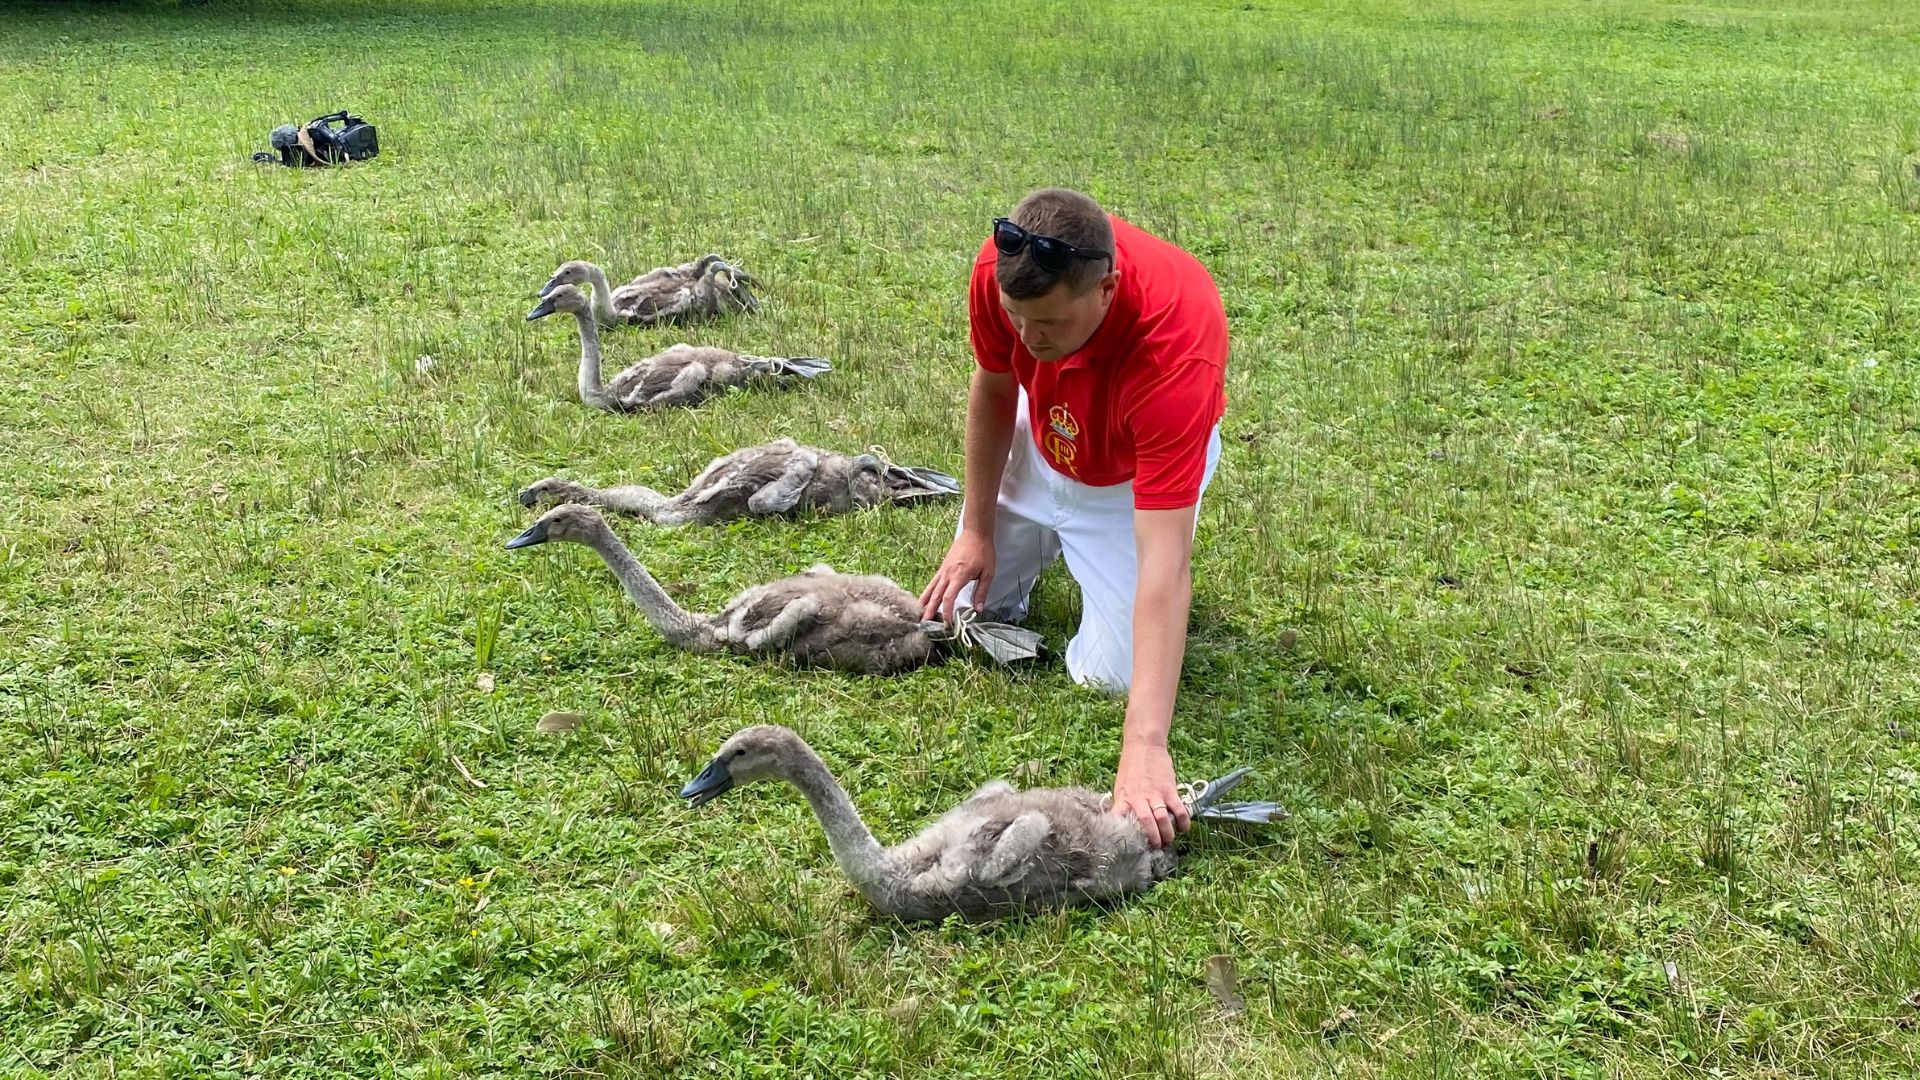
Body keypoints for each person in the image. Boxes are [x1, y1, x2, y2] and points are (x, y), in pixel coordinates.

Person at [919, 187, 1229, 851]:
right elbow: (998, 386)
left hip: (1127, 475)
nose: (1027, 338)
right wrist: (976, 529)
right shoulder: (1004, 268)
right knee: (964, 608)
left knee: (1114, 677)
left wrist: (1145, 744)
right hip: (1044, 431)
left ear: (1108, 288)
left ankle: (1085, 560)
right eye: (1016, 319)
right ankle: (1033, 541)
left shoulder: (1176, 347)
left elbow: (1165, 559)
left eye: (1049, 326)